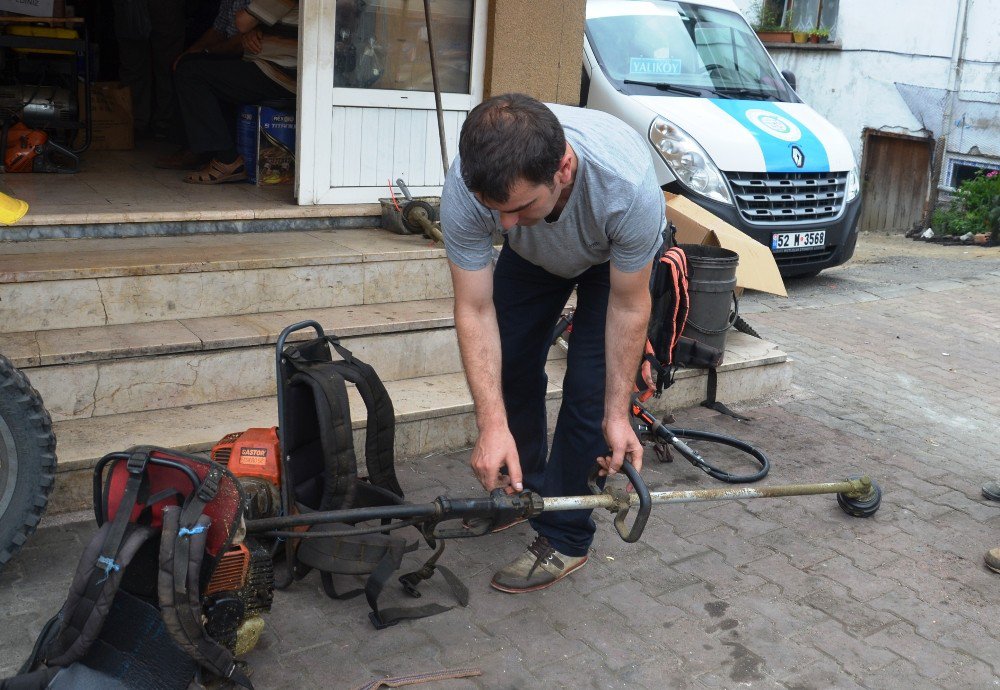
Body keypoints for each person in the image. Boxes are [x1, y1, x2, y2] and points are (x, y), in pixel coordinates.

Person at [440, 93, 665, 593]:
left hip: (612, 261)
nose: (502, 226)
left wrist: (617, 414)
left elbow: (629, 306)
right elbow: (475, 308)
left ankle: (564, 534)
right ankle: (522, 490)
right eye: (493, 210)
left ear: (563, 167)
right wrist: (490, 425)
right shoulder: (469, 186)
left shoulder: (626, 188)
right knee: (509, 364)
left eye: (518, 207)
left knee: (591, 391)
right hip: (537, 256)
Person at [163, 0, 298, 183]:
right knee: (191, 67)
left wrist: (253, 26)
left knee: (191, 74)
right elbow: (235, 27)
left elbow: (242, 22)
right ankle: (207, 151)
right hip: (263, 65)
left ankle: (227, 160)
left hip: (278, 74)